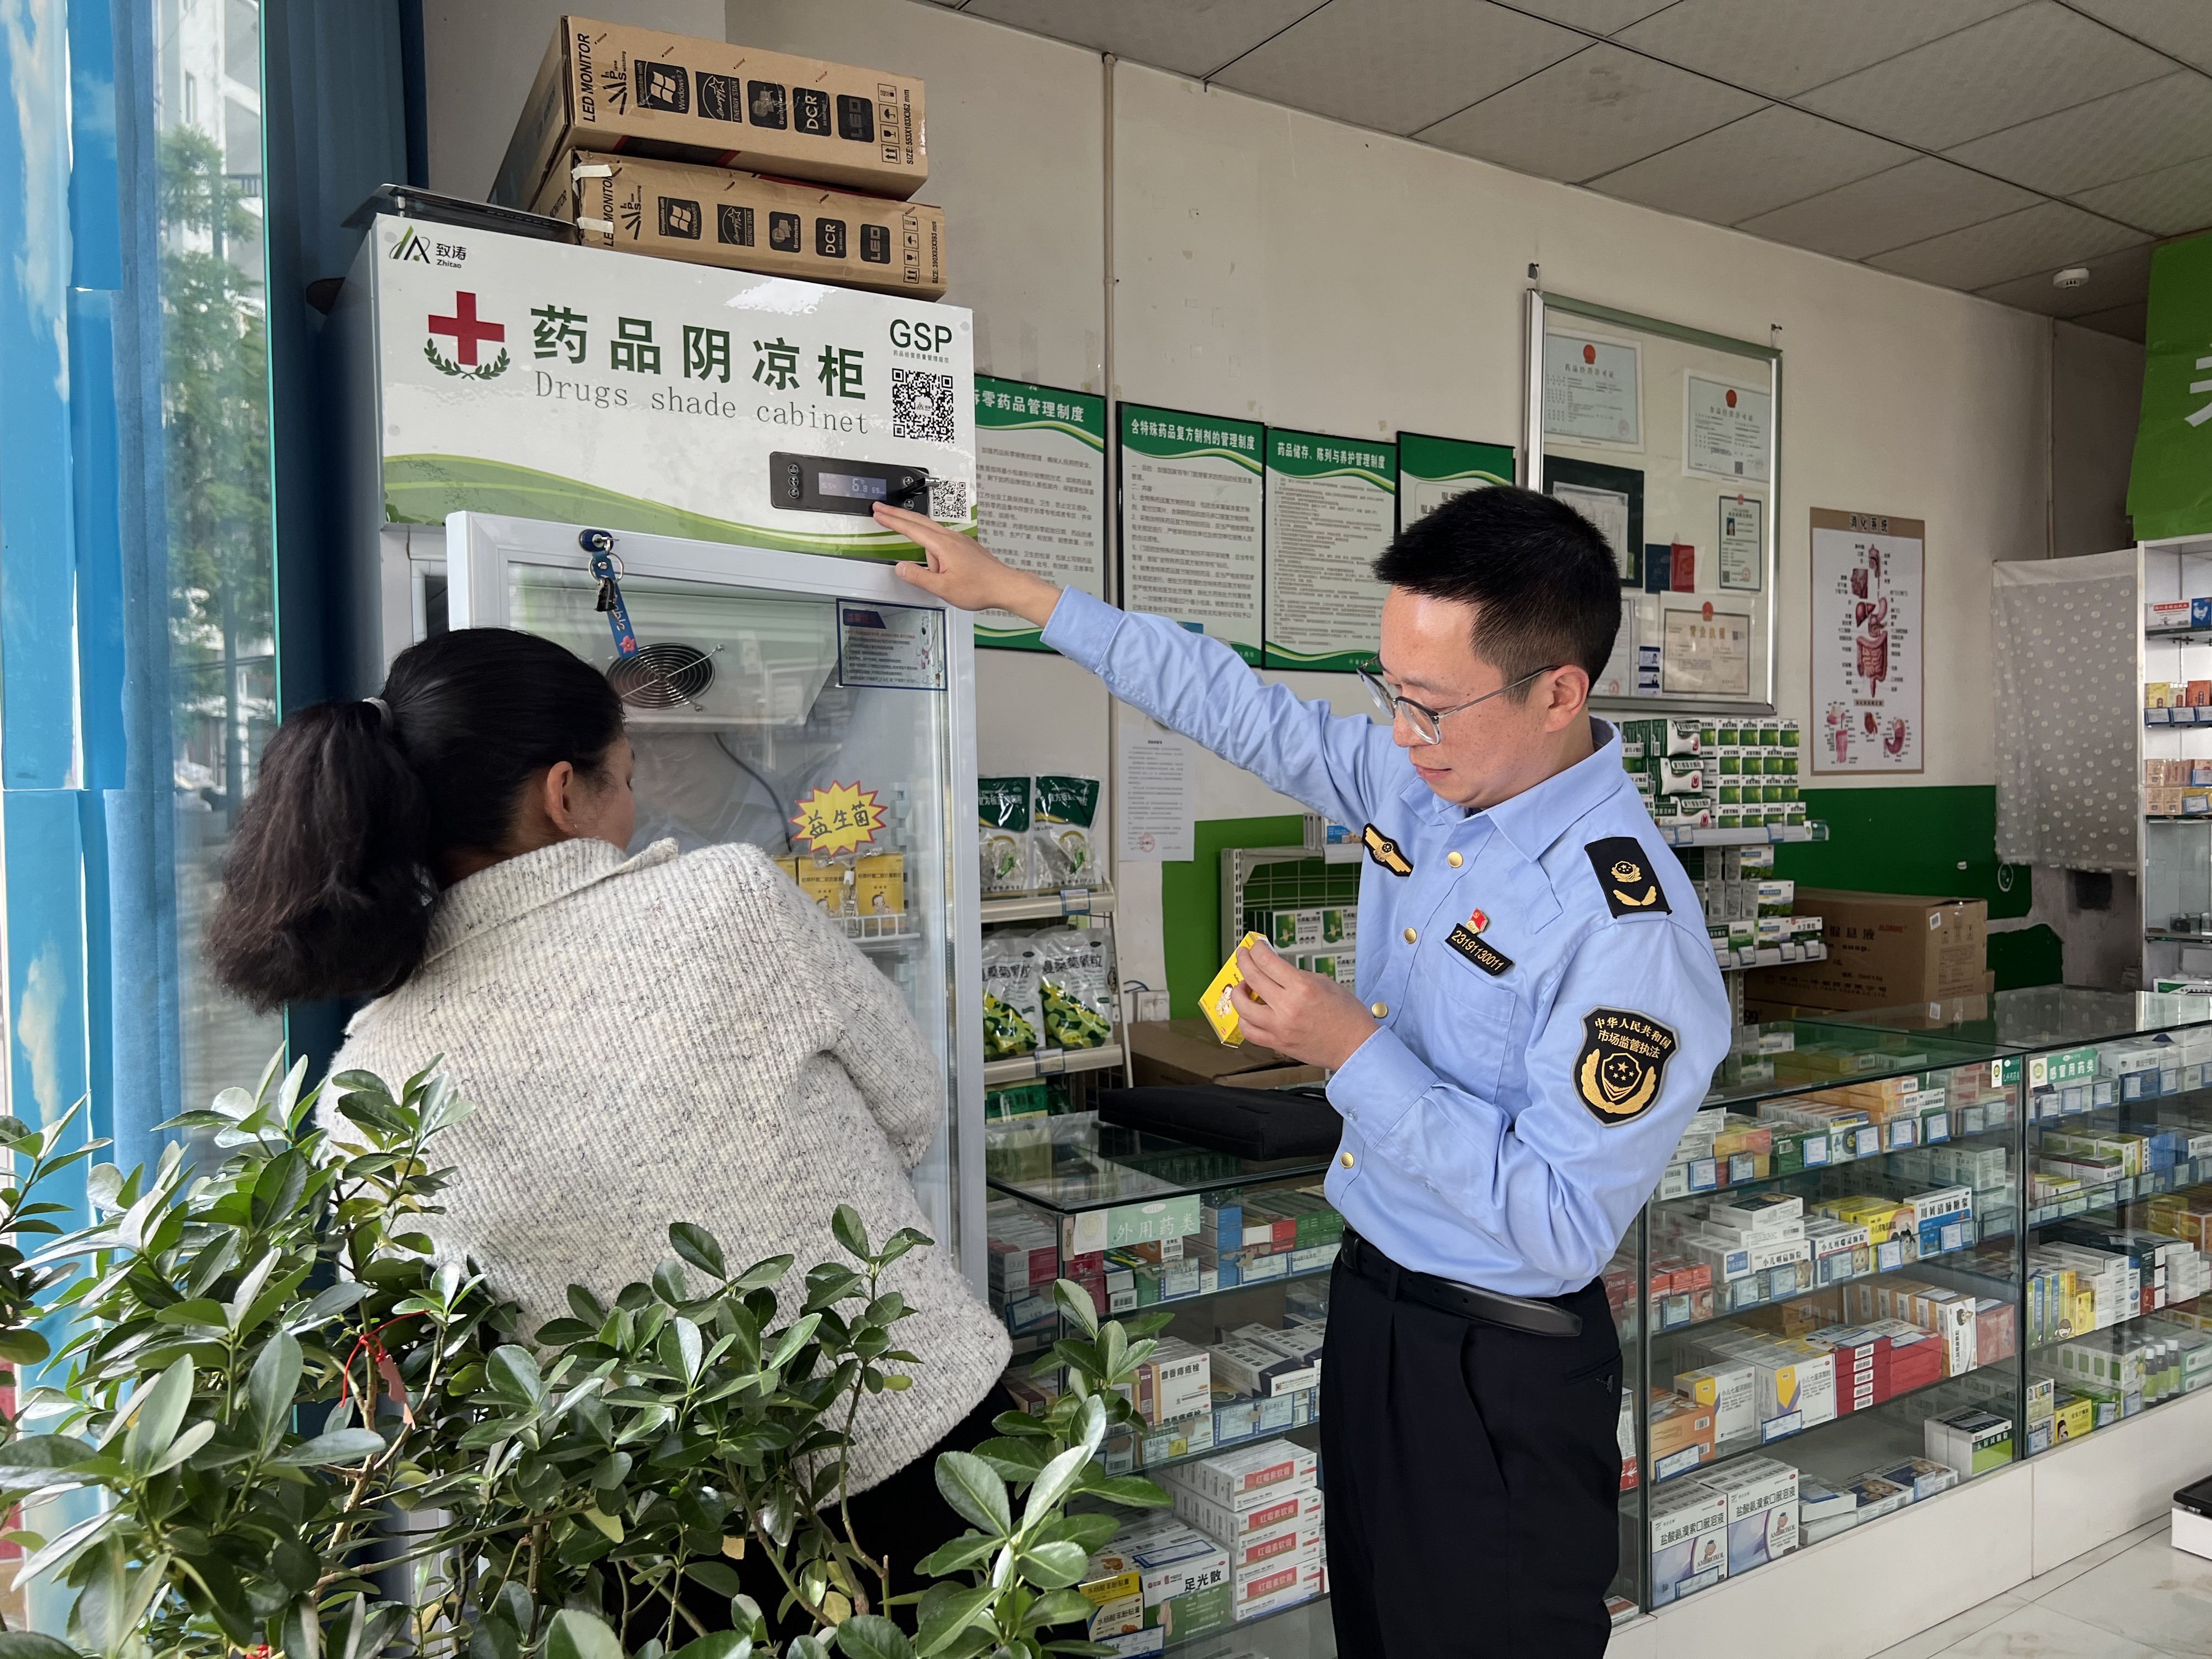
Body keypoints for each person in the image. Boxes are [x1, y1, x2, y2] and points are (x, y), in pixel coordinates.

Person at [872, 486, 1729, 1658]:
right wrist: (1015, 595)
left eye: (1432, 705)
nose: (1404, 734)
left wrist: (1352, 1050)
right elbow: (1229, 702)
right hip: (1376, 1308)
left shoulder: (1625, 927)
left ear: (1558, 695)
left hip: (1502, 1363)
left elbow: (1558, 1222)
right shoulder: (1429, 785)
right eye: (1391, 694)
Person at [204, 625, 1011, 1606]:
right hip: (923, 1441)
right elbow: (912, 1109)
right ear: (562, 792)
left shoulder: (362, 1086)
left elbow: (454, 1353)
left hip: (659, 1554)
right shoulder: (729, 901)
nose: (632, 805)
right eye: (624, 777)